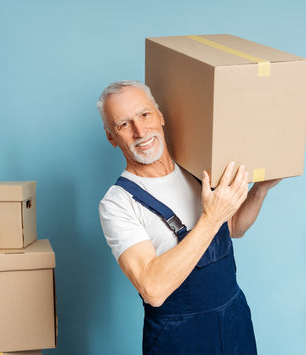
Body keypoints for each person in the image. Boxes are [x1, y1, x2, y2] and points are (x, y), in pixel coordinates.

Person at [97, 80, 281, 355]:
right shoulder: (118, 203)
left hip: (235, 321)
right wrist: (210, 217)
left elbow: (232, 228)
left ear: (160, 116)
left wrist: (261, 189)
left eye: (144, 114)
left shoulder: (196, 167)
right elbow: (153, 289)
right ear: (111, 137)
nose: (139, 131)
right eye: (124, 124)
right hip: (179, 339)